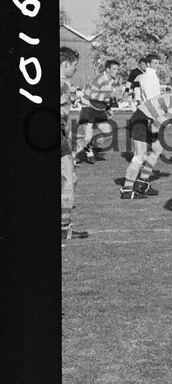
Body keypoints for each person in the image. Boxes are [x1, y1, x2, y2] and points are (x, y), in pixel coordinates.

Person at [120, 80, 172, 199]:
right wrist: (155, 128)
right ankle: (127, 190)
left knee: (157, 150)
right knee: (140, 156)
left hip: (145, 118)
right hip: (143, 119)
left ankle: (142, 183)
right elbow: (165, 118)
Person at [61, 47, 88, 241]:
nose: (75, 71)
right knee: (69, 180)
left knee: (72, 178)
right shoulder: (63, 84)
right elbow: (60, 113)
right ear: (66, 64)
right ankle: (64, 227)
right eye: (74, 67)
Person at [75, 59, 120, 164]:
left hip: (99, 110)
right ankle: (71, 157)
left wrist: (108, 108)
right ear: (107, 70)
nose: (116, 71)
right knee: (87, 138)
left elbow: (104, 97)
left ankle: (90, 147)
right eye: (114, 69)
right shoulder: (100, 78)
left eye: (117, 69)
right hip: (88, 108)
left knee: (108, 134)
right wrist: (109, 95)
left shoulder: (113, 81)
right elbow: (92, 95)